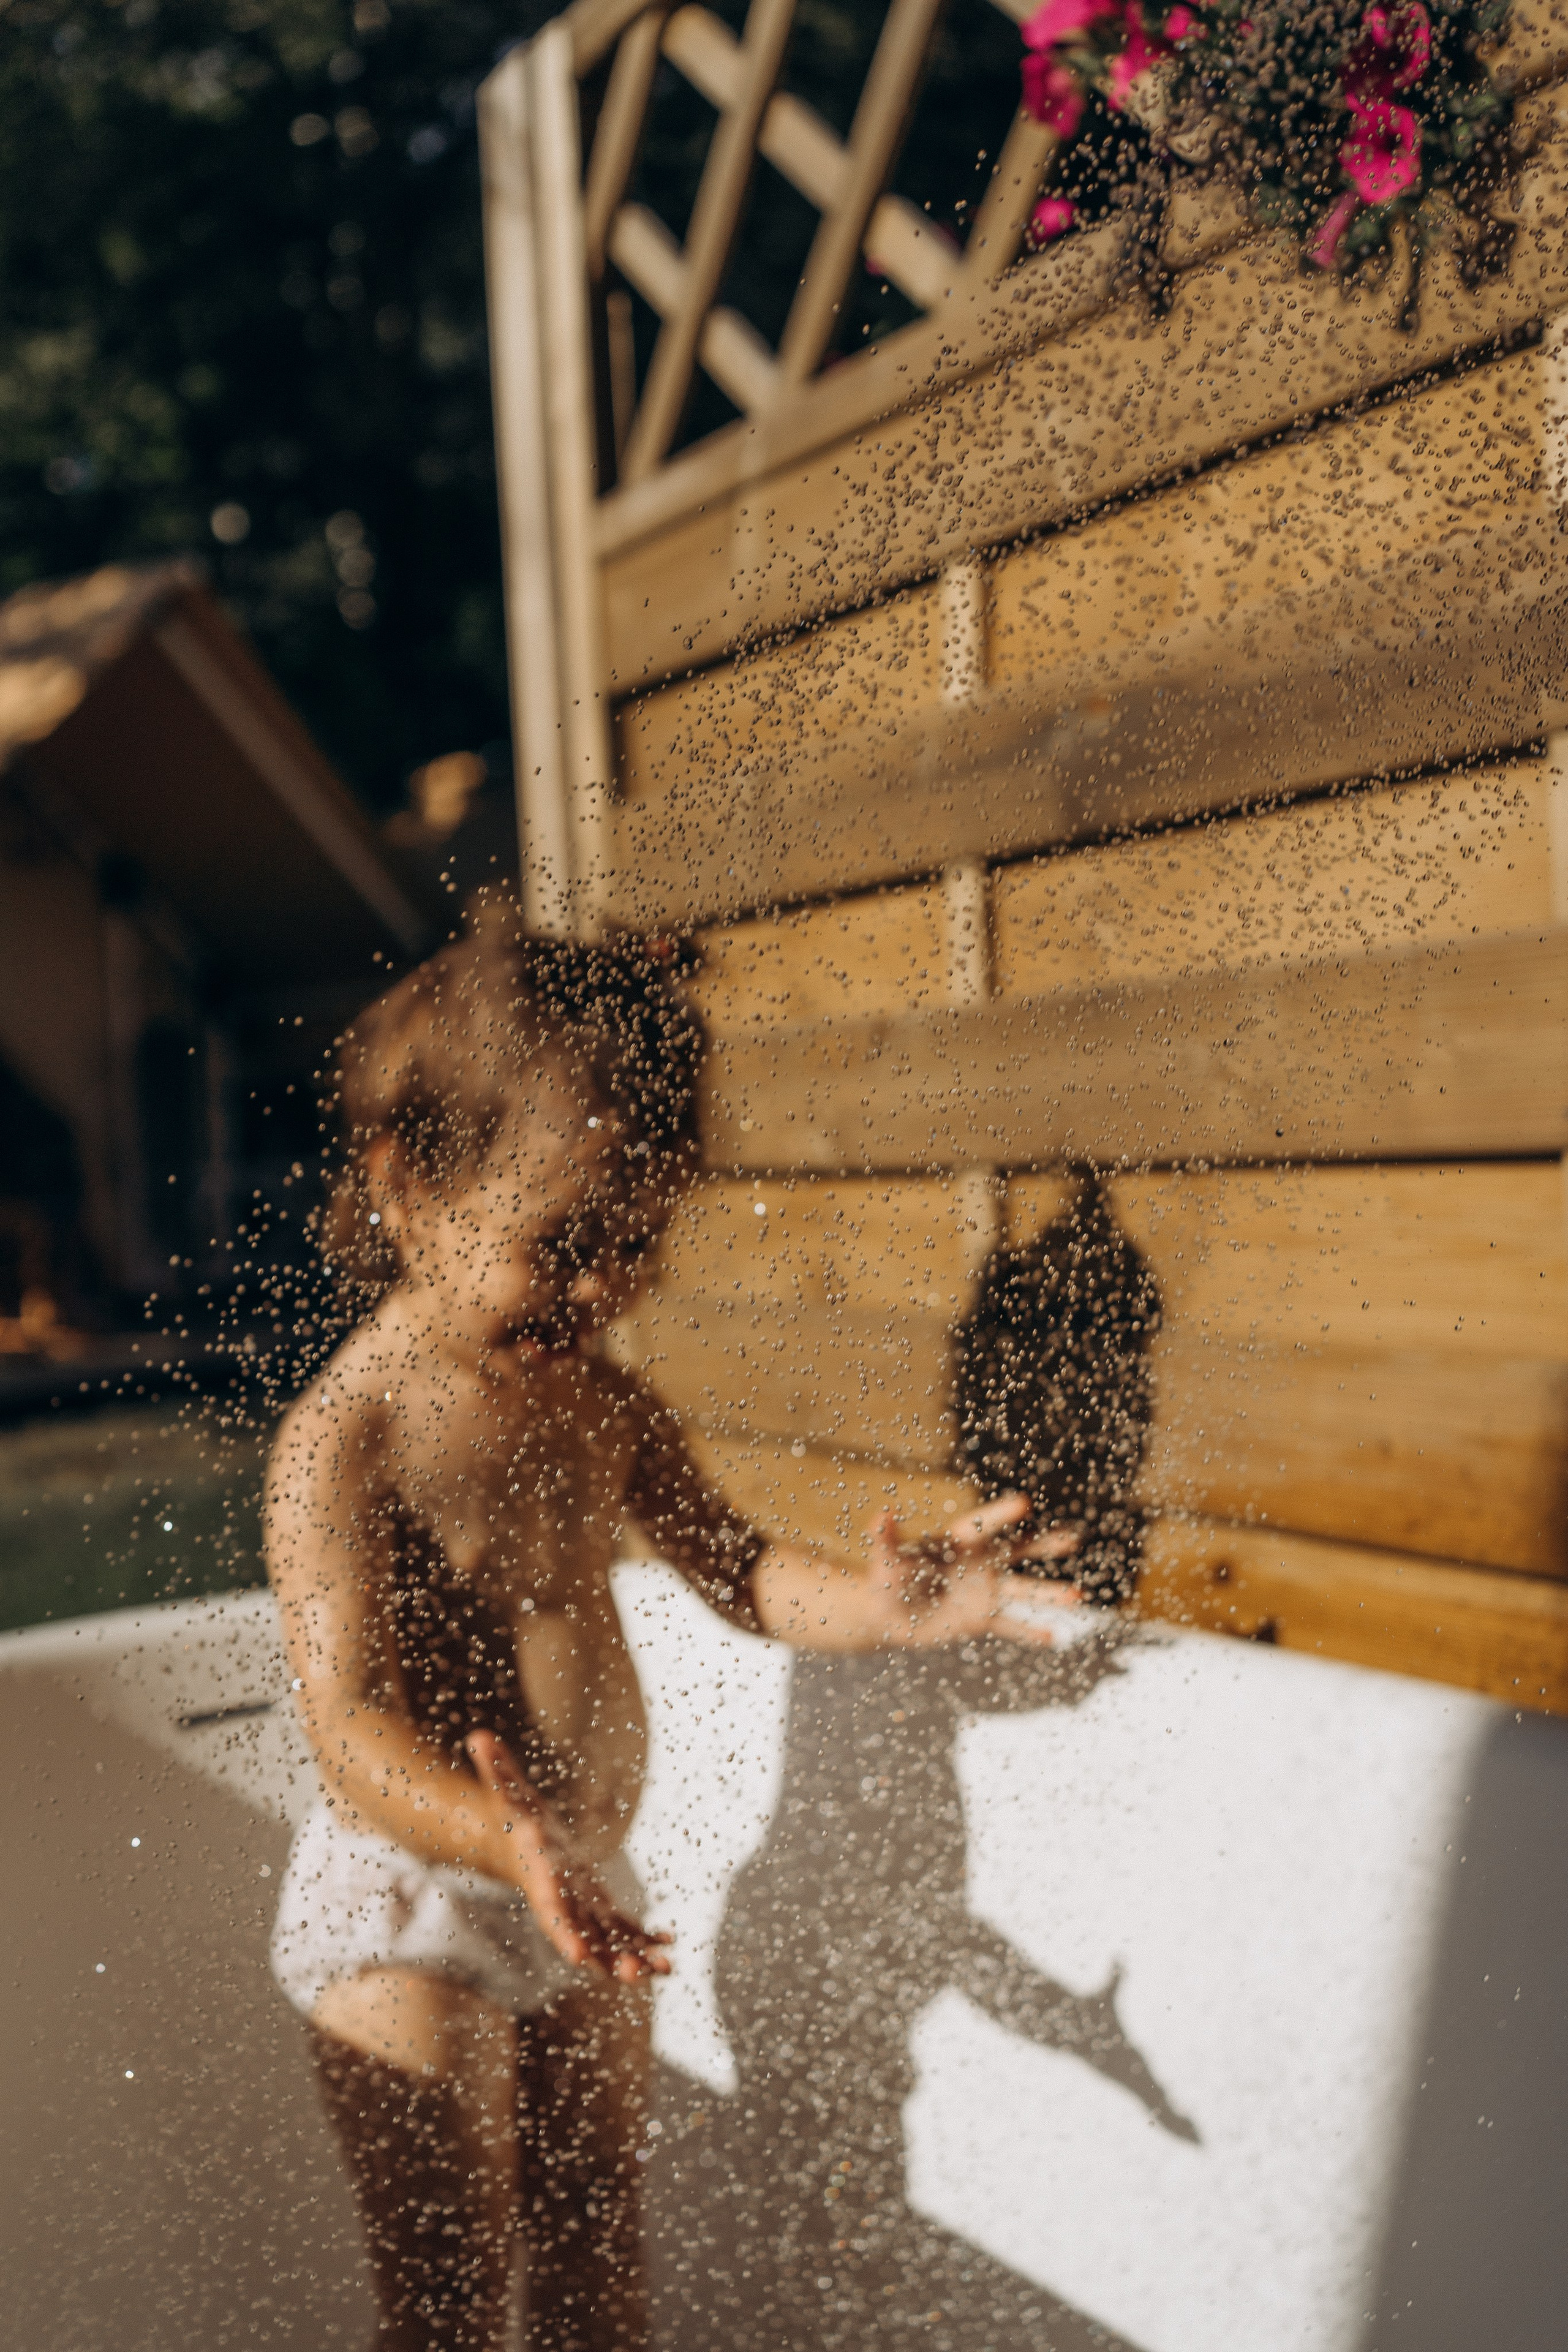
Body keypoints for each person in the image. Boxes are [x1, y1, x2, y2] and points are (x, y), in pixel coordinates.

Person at [264, 909, 1079, 2352]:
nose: (599, 1288)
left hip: (586, 1887)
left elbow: (743, 1573)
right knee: (450, 2302)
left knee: (596, 2252)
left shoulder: (607, 1406)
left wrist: (887, 1610)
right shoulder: (348, 1437)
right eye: (559, 1243)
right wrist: (499, 1839)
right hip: (412, 1895)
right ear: (407, 1189)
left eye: (633, 1245)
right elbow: (347, 1730)